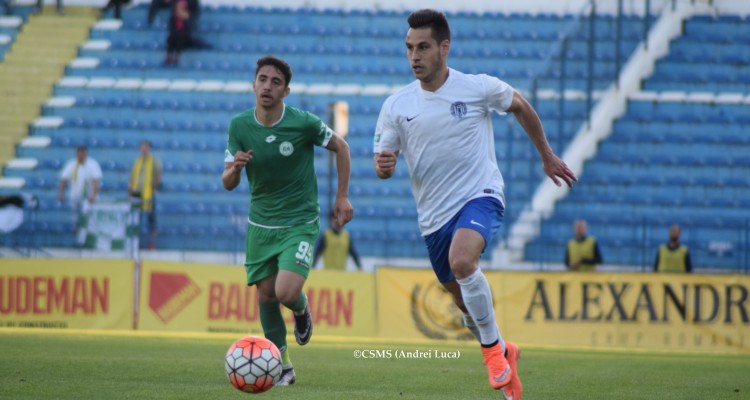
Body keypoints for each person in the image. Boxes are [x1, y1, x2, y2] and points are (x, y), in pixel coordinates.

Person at [373, 9, 577, 399]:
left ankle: (492, 354)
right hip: (433, 218)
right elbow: (384, 162)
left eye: (423, 47)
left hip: (480, 195)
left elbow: (520, 104)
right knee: (464, 303)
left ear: (444, 48)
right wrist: (384, 167)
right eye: (409, 48)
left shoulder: (477, 87)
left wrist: (546, 155)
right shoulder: (396, 105)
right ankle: (504, 349)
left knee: (463, 261)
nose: (414, 56)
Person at [222, 55, 353, 386]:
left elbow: (342, 147)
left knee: (285, 291)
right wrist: (235, 168)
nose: (267, 86)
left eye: (275, 82)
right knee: (266, 297)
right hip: (260, 226)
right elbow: (227, 182)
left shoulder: (303, 123)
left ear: (286, 91)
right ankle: (284, 368)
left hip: (299, 222)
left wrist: (341, 197)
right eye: (262, 79)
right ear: (254, 84)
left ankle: (301, 308)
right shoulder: (239, 126)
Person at [58, 146, 102, 245]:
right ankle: (78, 241)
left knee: (88, 219)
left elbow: (96, 181)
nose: (81, 155)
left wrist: (93, 195)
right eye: (79, 153)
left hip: (88, 198)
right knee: (75, 220)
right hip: (75, 197)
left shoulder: (92, 164)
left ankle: (88, 241)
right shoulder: (72, 164)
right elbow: (63, 180)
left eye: (83, 153)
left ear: (86, 154)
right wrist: (61, 194)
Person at [128, 140, 162, 250]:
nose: (144, 149)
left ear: (149, 149)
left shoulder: (154, 161)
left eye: (146, 147)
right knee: (135, 218)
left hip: (148, 193)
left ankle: (152, 243)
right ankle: (135, 243)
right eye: (142, 147)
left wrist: (154, 189)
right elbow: (132, 177)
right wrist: (130, 190)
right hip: (136, 193)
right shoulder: (137, 162)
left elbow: (158, 175)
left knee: (151, 219)